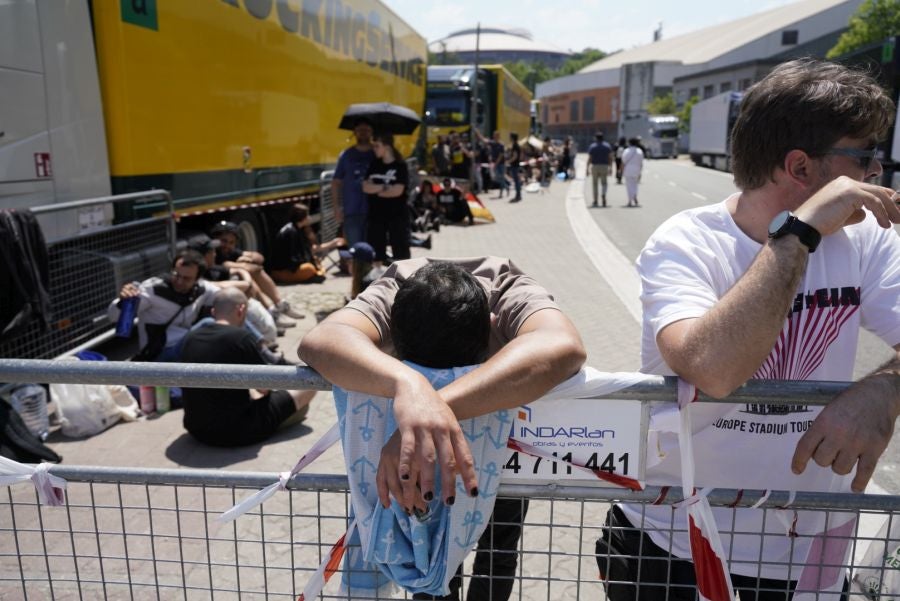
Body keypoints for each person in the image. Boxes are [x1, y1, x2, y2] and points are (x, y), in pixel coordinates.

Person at [599, 58, 900, 601]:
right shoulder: (686, 243)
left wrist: (886, 387)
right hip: (676, 542)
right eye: (865, 155)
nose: (877, 171)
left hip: (808, 546)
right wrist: (798, 233)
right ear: (802, 169)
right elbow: (712, 368)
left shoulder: (867, 240)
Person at [299, 256, 586, 601]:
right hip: (441, 449)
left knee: (499, 540)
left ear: (493, 324)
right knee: (429, 539)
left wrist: (428, 409)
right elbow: (319, 341)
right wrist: (408, 385)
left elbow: (565, 347)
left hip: (502, 450)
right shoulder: (392, 287)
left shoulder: (511, 291)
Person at [180, 288, 315, 446]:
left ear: (213, 311)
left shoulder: (190, 337)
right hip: (237, 431)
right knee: (309, 386)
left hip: (196, 429)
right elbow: (264, 389)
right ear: (241, 309)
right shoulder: (242, 338)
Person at [109, 250, 219, 361]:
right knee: (207, 324)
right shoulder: (152, 290)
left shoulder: (201, 289)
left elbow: (223, 295)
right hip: (158, 353)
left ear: (197, 279)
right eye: (176, 274)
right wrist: (123, 300)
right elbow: (113, 316)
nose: (179, 281)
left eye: (186, 279)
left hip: (186, 343)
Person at [210, 220, 304, 323]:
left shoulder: (230, 251)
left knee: (256, 271)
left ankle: (279, 305)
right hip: (216, 286)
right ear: (215, 239)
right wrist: (244, 266)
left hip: (229, 283)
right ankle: (270, 313)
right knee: (249, 277)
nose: (227, 245)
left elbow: (260, 258)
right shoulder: (212, 253)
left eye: (231, 242)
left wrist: (250, 257)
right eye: (224, 241)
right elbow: (227, 265)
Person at [362, 132, 410, 264]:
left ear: (387, 147)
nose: (374, 149)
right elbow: (365, 187)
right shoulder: (374, 164)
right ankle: (378, 280)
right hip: (376, 215)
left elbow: (398, 191)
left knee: (400, 251)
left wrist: (376, 188)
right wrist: (384, 187)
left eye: (377, 146)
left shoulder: (400, 165)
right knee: (376, 251)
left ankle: (404, 281)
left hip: (397, 215)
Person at [269, 204, 345, 283]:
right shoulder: (291, 232)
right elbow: (293, 260)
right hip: (283, 271)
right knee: (309, 268)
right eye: (307, 215)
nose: (309, 218)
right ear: (302, 217)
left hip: (289, 269)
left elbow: (308, 250)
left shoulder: (297, 229)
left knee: (316, 263)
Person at [333, 118, 375, 246]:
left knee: (372, 252)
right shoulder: (346, 155)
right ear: (354, 132)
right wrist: (336, 207)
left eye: (366, 130)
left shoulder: (377, 153)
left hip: (374, 212)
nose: (363, 133)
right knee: (355, 251)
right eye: (359, 130)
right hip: (351, 211)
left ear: (371, 132)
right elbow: (336, 182)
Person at [587, 132, 613, 207]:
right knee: (604, 183)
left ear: (596, 138)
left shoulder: (592, 146)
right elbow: (610, 158)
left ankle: (595, 200)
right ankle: (603, 194)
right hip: (604, 166)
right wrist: (611, 167)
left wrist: (587, 168)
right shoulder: (607, 146)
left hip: (595, 166)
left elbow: (590, 158)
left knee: (595, 184)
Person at [620, 137, 644, 207]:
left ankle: (630, 200)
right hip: (636, 169)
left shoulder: (626, 151)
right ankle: (634, 196)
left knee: (629, 185)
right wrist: (640, 171)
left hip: (628, 169)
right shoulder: (639, 151)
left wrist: (621, 170)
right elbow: (641, 162)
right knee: (635, 184)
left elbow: (623, 162)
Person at [488, 131, 509, 198]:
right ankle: (506, 186)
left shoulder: (501, 145)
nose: (494, 137)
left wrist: (495, 164)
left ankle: (501, 193)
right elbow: (484, 140)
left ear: (498, 136)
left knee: (501, 177)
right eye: (494, 135)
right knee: (497, 178)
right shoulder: (492, 143)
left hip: (501, 164)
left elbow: (500, 156)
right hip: (496, 164)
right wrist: (477, 132)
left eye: (496, 135)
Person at [507, 133, 523, 203]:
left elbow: (515, 156)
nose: (509, 138)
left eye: (510, 137)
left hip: (514, 166)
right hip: (516, 165)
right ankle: (518, 195)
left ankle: (518, 196)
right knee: (517, 181)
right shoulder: (516, 145)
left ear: (512, 138)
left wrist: (508, 161)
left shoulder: (515, 145)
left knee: (516, 181)